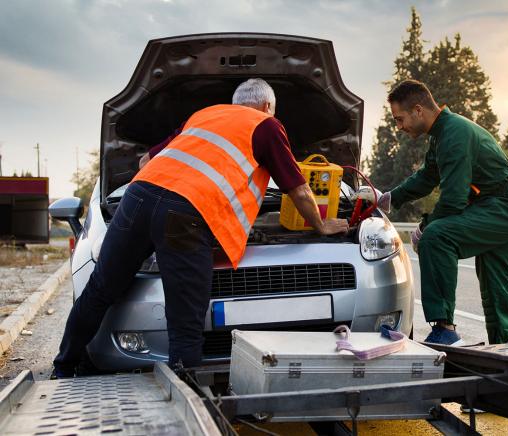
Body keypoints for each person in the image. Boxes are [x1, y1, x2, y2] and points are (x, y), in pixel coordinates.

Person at [52, 78, 348, 377]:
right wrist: (321, 225)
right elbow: (298, 190)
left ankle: (63, 368)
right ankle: (186, 397)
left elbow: (145, 161)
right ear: (267, 106)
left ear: (235, 103)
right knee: (185, 323)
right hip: (185, 214)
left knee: (100, 290)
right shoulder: (266, 125)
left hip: (138, 197)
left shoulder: (203, 116)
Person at [377, 79, 508, 346]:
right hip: (498, 207)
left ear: (418, 110)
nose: (399, 127)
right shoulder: (442, 133)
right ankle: (505, 349)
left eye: (400, 119)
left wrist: (425, 227)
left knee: (437, 236)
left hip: (502, 207)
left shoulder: (454, 134)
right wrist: (388, 199)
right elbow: (427, 177)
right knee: (496, 291)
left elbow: (454, 199)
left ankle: (444, 329)